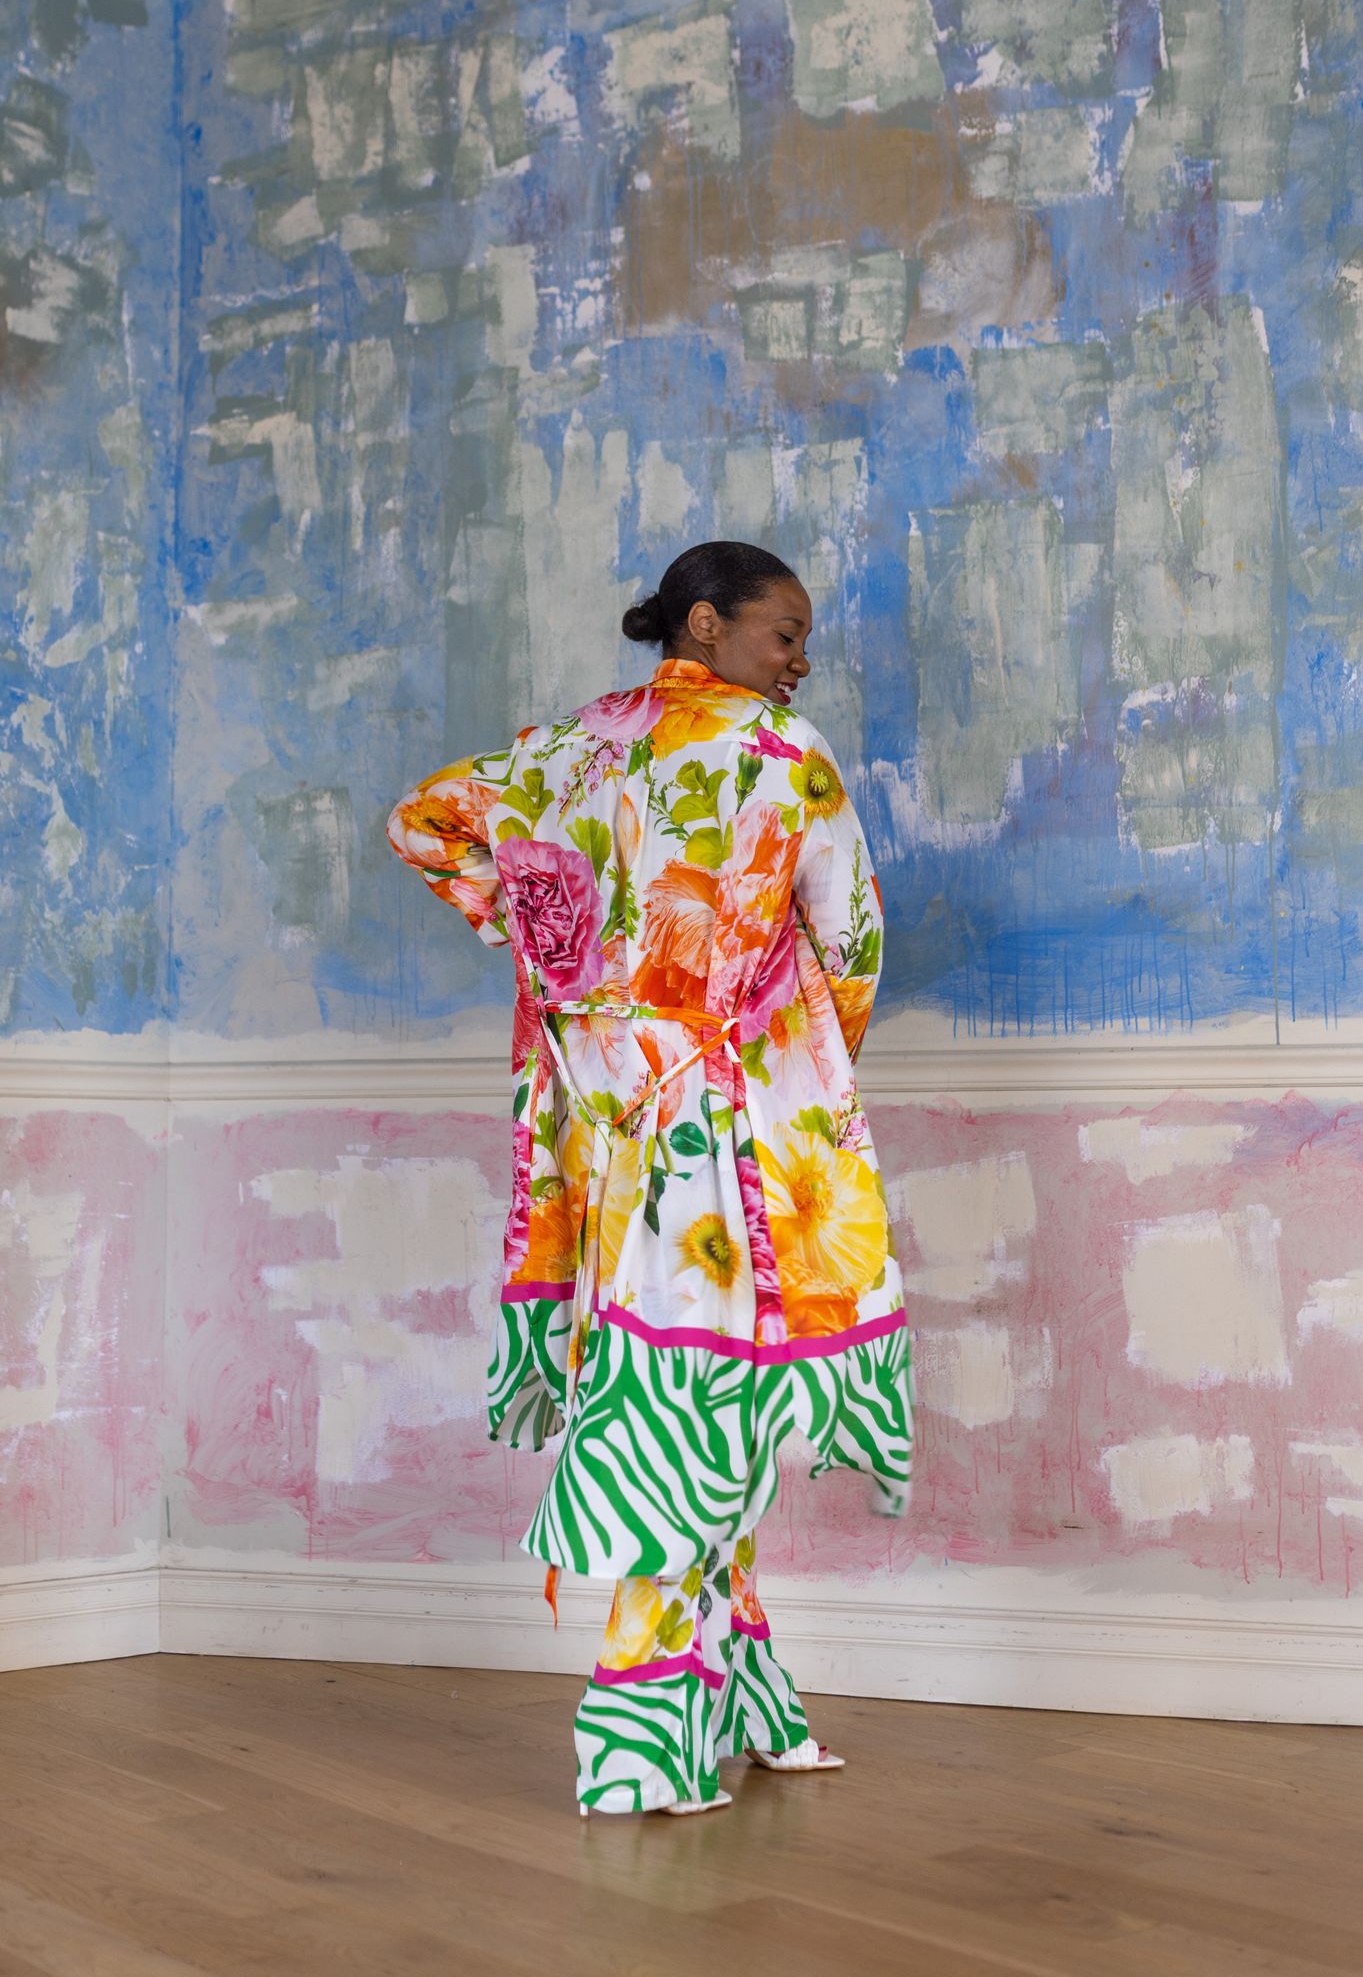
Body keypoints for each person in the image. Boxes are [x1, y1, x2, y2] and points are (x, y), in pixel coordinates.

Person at [388, 540, 913, 1817]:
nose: (800, 659)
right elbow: (850, 938)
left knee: (695, 1391)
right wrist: (795, 1062)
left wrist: (558, 962)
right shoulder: (783, 753)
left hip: (602, 1122)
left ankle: (749, 1695)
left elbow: (424, 821)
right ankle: (633, 1743)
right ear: (707, 622)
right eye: (785, 632)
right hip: (727, 1127)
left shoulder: (561, 751)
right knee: (681, 1406)